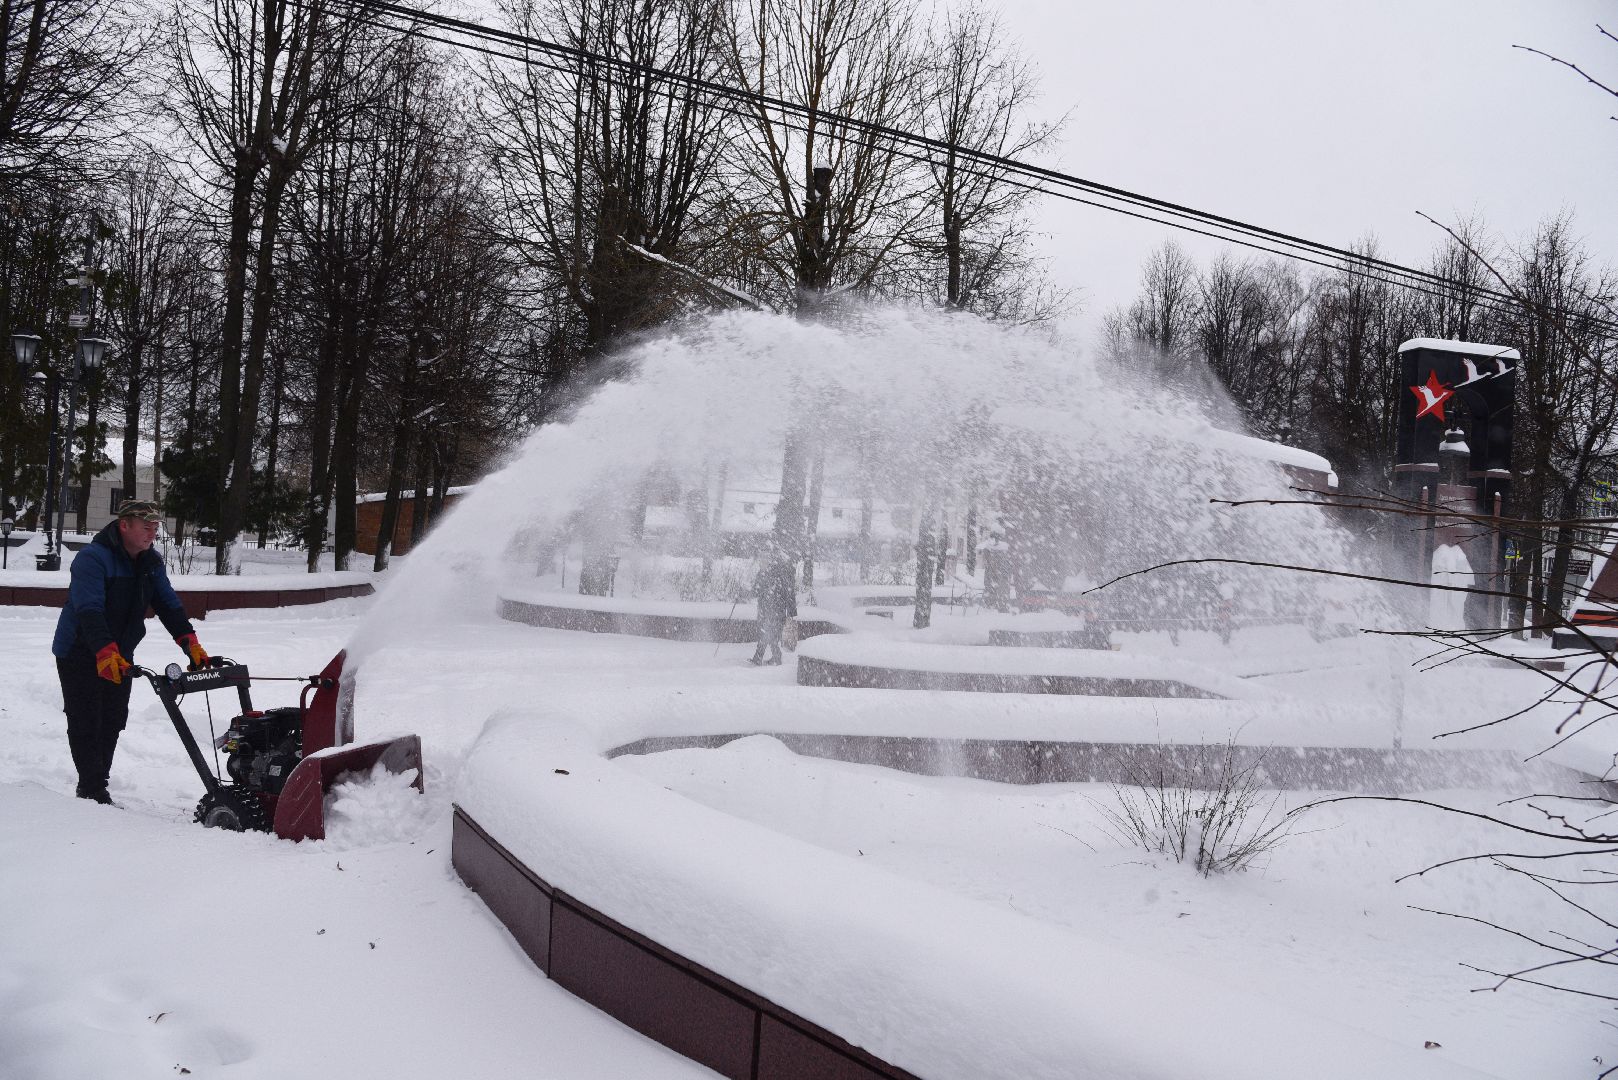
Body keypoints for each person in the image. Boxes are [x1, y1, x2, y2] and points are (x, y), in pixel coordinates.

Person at [51, 500, 209, 804]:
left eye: (155, 527)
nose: (152, 533)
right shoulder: (92, 559)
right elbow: (89, 609)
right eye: (146, 527)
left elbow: (167, 603)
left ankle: (98, 780)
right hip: (79, 650)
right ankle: (91, 789)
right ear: (124, 525)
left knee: (113, 718)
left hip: (120, 652)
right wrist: (104, 651)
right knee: (86, 719)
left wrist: (189, 642)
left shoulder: (151, 562)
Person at [749, 548, 798, 666]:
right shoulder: (761, 573)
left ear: (770, 560)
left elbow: (786, 591)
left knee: (769, 634)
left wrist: (790, 611)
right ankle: (769, 657)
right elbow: (756, 591)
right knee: (766, 634)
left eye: (765, 558)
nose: (762, 561)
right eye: (761, 558)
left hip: (775, 611)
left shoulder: (776, 574)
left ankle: (766, 658)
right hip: (764, 610)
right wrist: (745, 592)